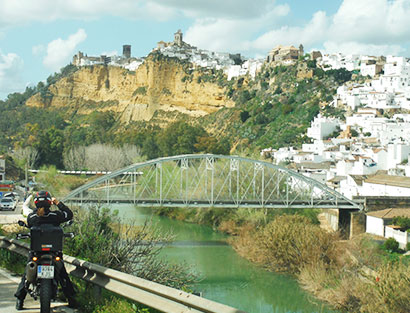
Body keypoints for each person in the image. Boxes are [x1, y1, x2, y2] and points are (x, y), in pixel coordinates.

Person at [15, 190, 77, 310]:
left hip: (36, 252)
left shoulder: (32, 217)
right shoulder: (56, 216)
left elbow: (31, 222)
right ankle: (71, 299)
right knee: (63, 274)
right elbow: (69, 214)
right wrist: (58, 203)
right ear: (49, 203)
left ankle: (20, 299)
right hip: (54, 252)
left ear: (36, 203)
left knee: (27, 276)